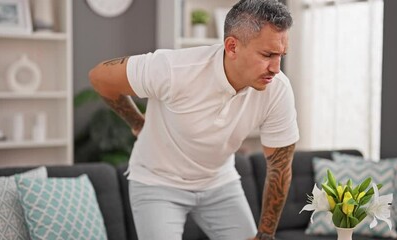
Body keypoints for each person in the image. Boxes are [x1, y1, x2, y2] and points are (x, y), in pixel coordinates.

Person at [89, 0, 299, 239]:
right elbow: (100, 77)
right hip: (157, 181)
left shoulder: (278, 89)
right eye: (267, 55)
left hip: (219, 182)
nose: (276, 67)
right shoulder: (175, 68)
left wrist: (266, 234)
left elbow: (279, 166)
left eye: (281, 55)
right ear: (232, 47)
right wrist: (137, 122)